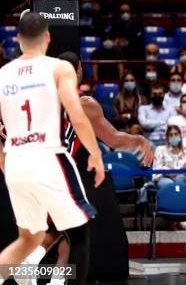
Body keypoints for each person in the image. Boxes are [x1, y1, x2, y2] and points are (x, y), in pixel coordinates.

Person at [17, 51, 153, 285]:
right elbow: (114, 139)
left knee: (66, 229)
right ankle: (31, 265)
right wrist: (139, 140)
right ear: (79, 72)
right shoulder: (86, 104)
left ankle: (52, 276)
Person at [0, 12, 105, 284]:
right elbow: (78, 116)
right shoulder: (58, 68)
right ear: (47, 37)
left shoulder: (3, 73)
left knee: (29, 239)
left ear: (19, 39)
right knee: (80, 232)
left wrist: (3, 159)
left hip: (15, 161)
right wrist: (95, 153)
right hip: (47, 156)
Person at [139, 126, 186, 204]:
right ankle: (173, 207)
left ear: (180, 136)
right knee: (170, 185)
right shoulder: (160, 150)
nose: (173, 137)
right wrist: (168, 173)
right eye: (171, 135)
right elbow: (157, 169)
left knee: (180, 180)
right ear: (167, 137)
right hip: (163, 178)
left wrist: (178, 173)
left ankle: (179, 206)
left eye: (176, 134)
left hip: (181, 178)